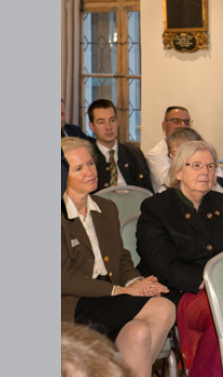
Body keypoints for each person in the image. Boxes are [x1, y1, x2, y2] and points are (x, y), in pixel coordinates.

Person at [136, 139, 223, 377]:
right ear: (179, 171)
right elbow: (163, 266)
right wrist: (209, 281)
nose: (205, 172)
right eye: (196, 166)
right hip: (183, 291)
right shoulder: (157, 208)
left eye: (210, 166)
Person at [62, 139, 175, 377]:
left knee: (139, 334)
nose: (90, 172)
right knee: (163, 307)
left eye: (91, 163)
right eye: (79, 168)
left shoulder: (107, 207)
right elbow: (64, 279)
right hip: (74, 304)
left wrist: (137, 283)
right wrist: (120, 291)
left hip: (108, 301)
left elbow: (121, 258)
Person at [87, 99, 152, 192]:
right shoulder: (88, 158)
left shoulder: (135, 154)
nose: (108, 127)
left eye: (112, 120)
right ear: (92, 126)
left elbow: (148, 192)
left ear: (117, 122)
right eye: (101, 122)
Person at [164, 127, 223, 198]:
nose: (205, 172)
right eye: (174, 154)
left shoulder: (220, 187)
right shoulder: (163, 196)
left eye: (209, 166)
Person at [145, 106, 192, 191]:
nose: (182, 125)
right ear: (164, 126)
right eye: (176, 121)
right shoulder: (154, 155)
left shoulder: (200, 150)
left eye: (186, 122)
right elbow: (170, 181)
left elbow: (218, 177)